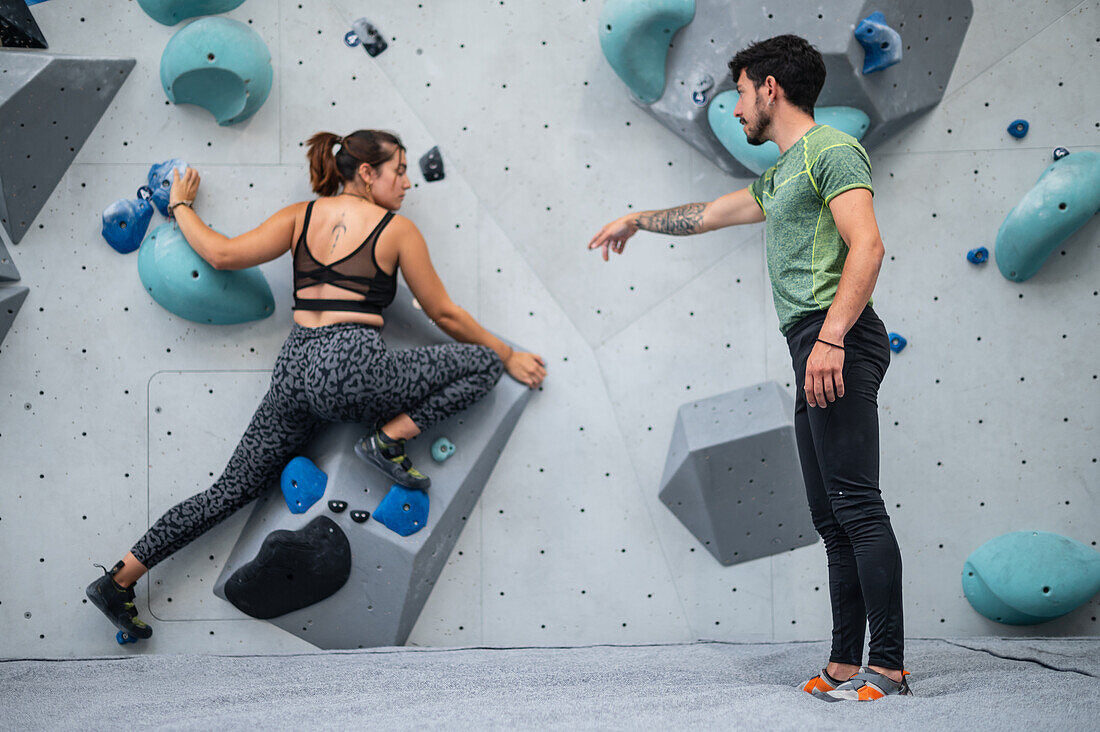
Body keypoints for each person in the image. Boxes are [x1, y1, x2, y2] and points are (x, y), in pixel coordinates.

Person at [86, 129, 546, 641]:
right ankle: (389, 438)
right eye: (399, 170)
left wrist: (182, 206)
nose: (407, 182)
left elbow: (222, 255)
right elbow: (442, 312)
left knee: (229, 490)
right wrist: (508, 353)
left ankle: (121, 578)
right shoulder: (396, 229)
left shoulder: (299, 216)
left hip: (294, 369)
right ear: (367, 173)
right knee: (481, 364)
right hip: (354, 366)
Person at [588, 35, 907, 702]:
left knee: (857, 506)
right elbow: (708, 215)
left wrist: (833, 339)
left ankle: (891, 664)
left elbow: (868, 247)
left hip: (836, 338)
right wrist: (635, 220)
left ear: (769, 88)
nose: (734, 109)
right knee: (830, 516)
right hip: (812, 342)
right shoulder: (782, 173)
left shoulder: (832, 150)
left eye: (738, 92)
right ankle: (846, 661)